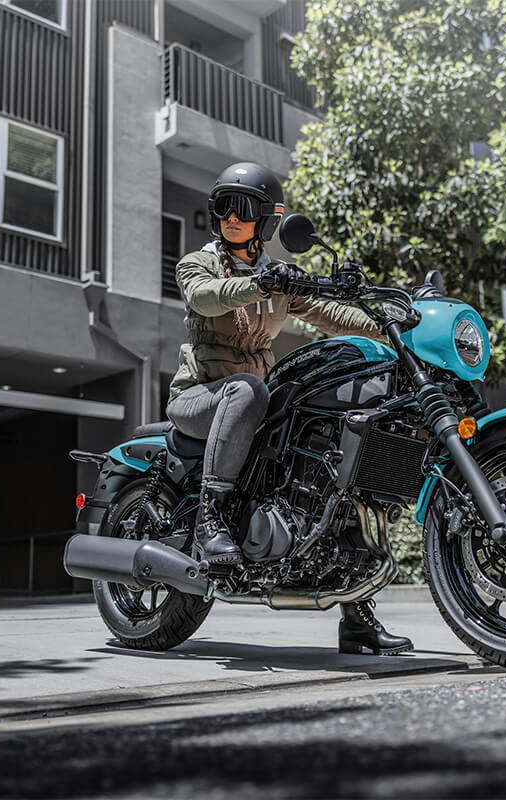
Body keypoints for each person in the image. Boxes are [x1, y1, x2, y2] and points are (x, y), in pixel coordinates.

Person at [165, 162, 413, 656]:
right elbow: (206, 298)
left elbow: (333, 315)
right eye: (224, 208)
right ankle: (211, 517)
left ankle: (356, 613)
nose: (232, 218)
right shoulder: (199, 263)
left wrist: (391, 323)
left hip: (252, 404)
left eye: (245, 209)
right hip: (200, 399)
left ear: (266, 219)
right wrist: (262, 285)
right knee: (248, 391)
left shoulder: (277, 278)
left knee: (333, 441)